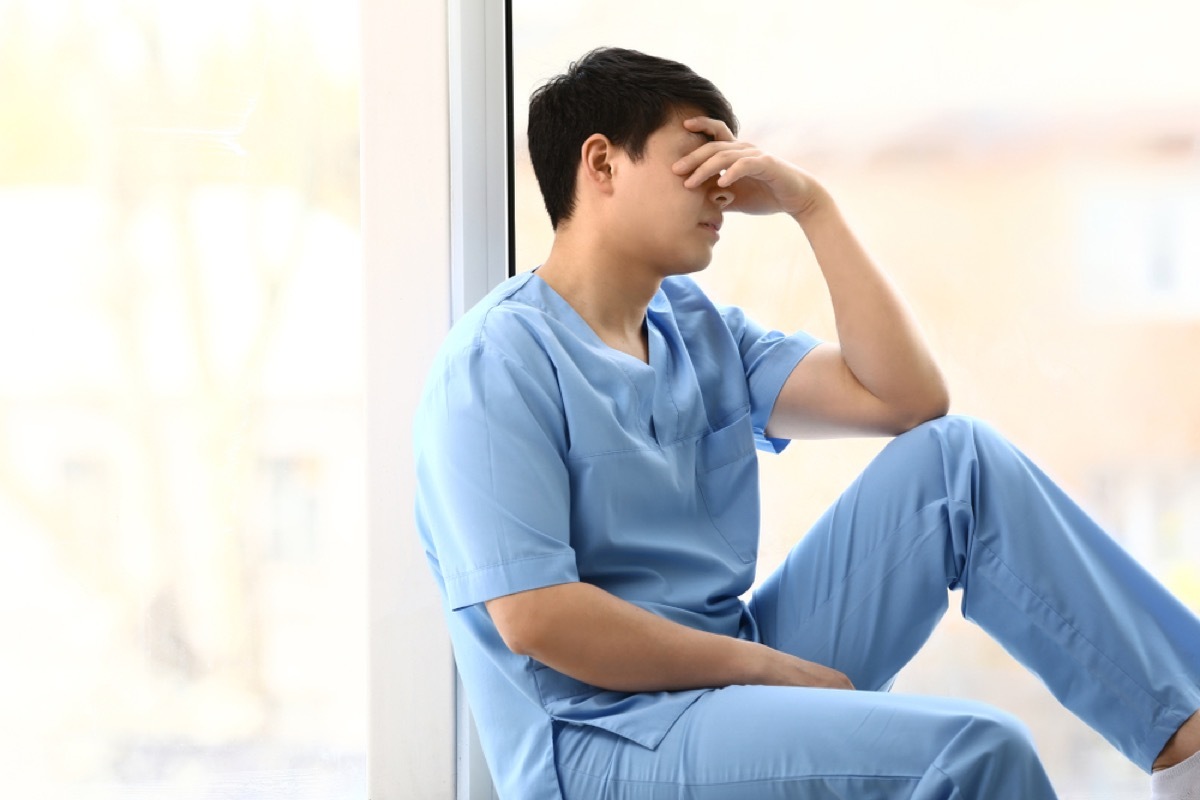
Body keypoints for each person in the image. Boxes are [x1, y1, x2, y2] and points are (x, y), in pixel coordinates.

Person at [413, 46, 1200, 799]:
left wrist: (810, 205)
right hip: (605, 739)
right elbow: (536, 618)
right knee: (978, 750)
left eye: (729, 161)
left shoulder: (697, 328)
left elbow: (906, 401)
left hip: (732, 671)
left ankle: (1191, 744)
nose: (721, 189)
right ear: (603, 163)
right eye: (697, 158)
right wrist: (763, 671)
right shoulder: (497, 361)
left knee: (958, 463)